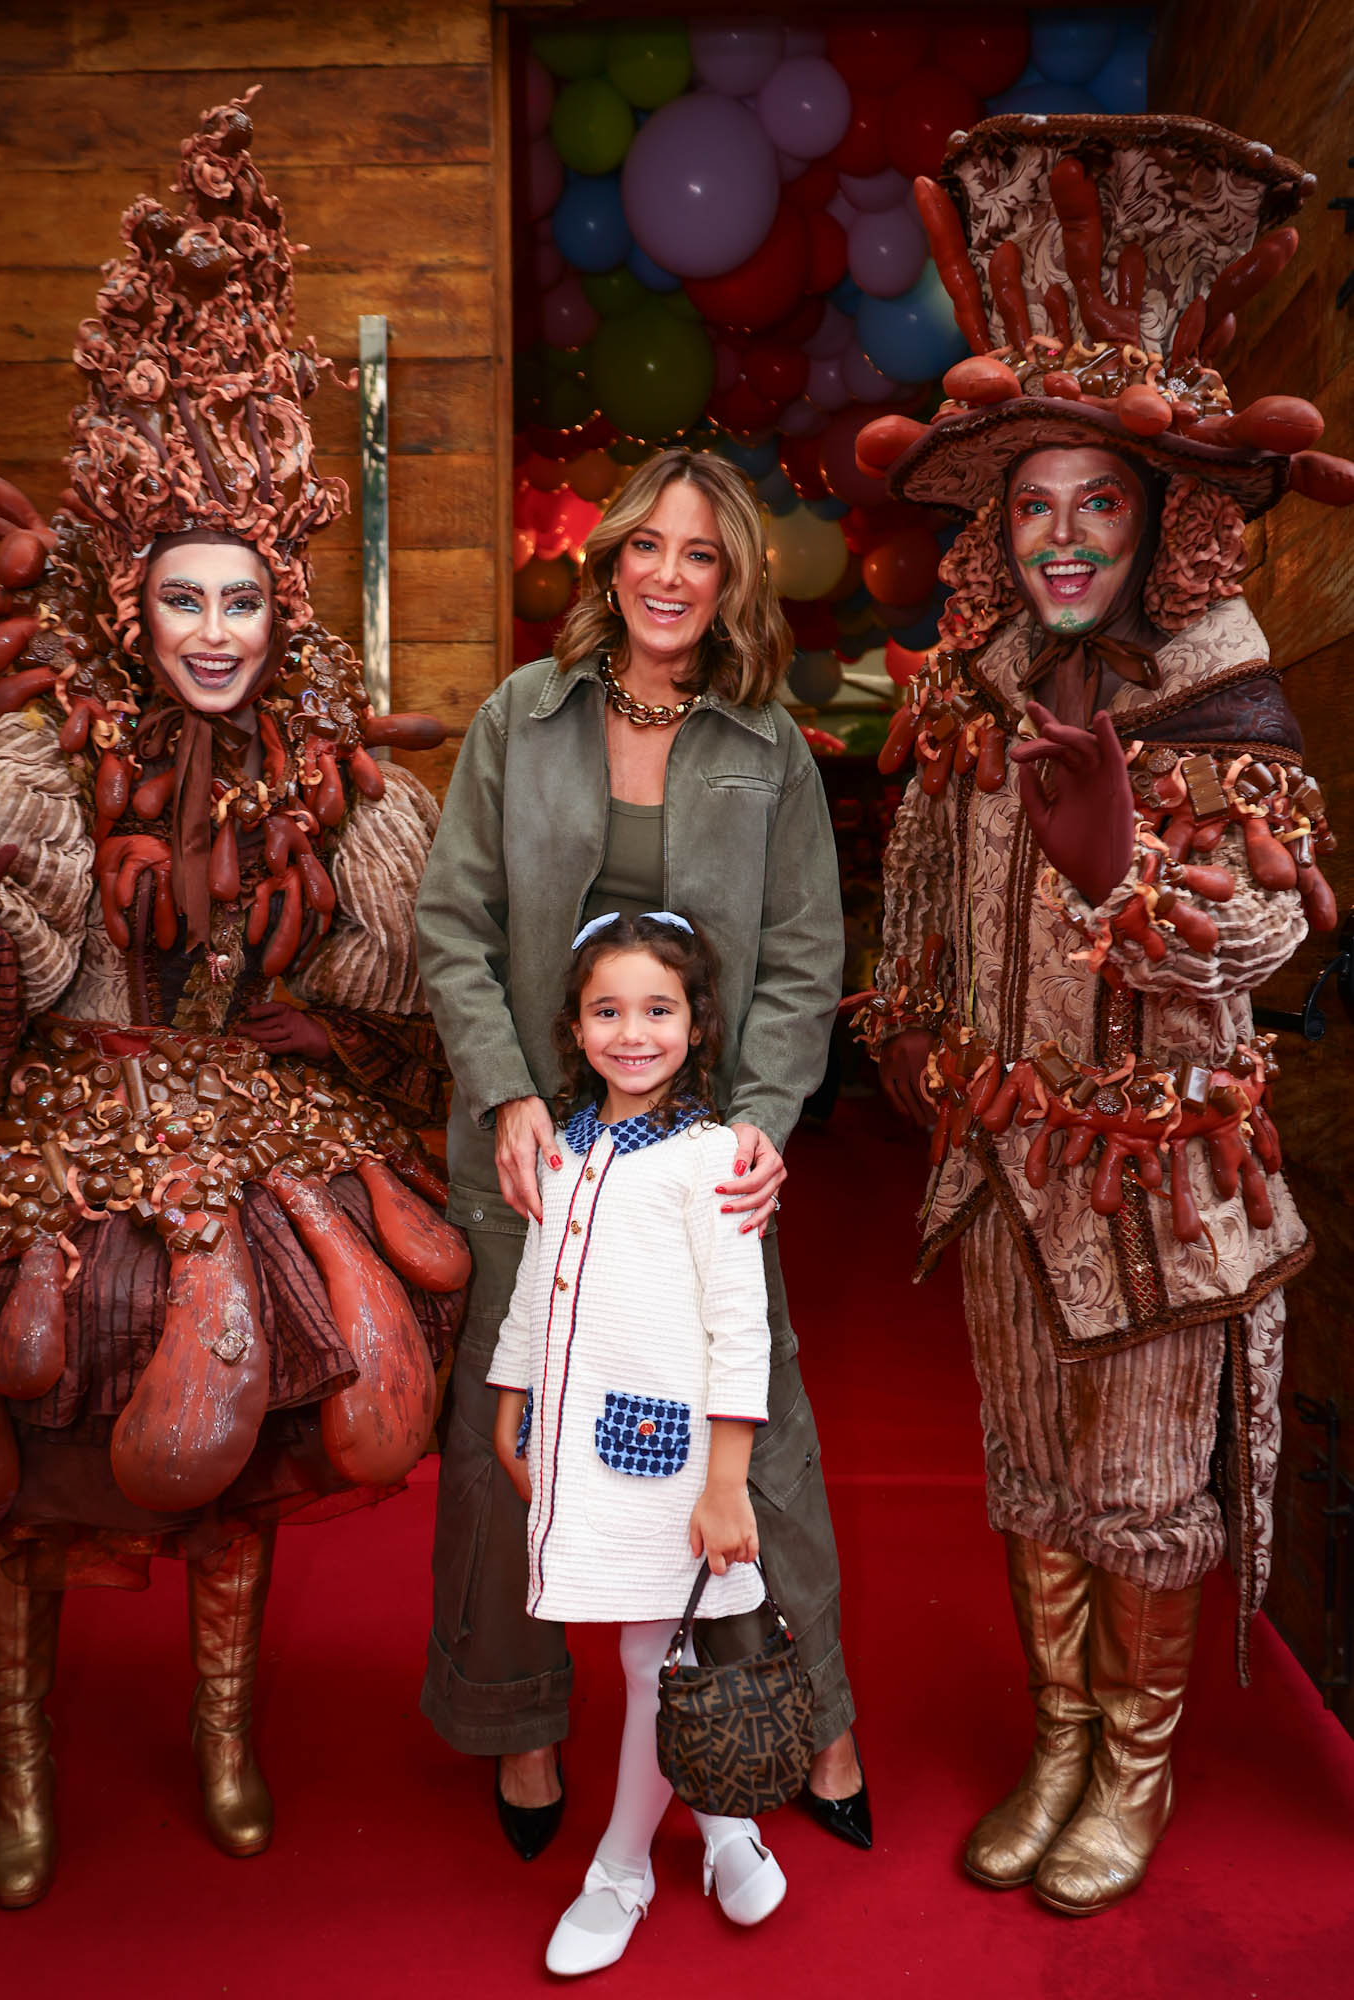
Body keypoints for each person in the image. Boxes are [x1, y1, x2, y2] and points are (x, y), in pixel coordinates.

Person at [0, 94, 468, 1907]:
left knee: (246, 1452)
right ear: (135, 606)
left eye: (244, 599)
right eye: (185, 601)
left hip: (251, 1128)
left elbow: (400, 965)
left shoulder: (332, 788)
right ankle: (22, 1764)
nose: (217, 631)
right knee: (29, 1465)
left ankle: (226, 1734)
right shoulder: (17, 766)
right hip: (66, 1135)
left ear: (273, 605)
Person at [855, 112, 1349, 1916]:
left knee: (1140, 1485)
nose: (1062, 539)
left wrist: (1114, 874)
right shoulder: (974, 695)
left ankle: (1129, 1772)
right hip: (1001, 1158)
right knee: (1025, 1477)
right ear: (1000, 524)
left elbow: (1248, 952)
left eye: (1100, 503)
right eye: (1033, 504)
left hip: (1153, 1182)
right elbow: (919, 900)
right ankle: (1056, 1734)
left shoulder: (1224, 708)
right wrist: (909, 1026)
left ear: (1161, 522)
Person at [416, 446, 867, 1856]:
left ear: (732, 581)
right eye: (647, 548)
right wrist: (503, 1093)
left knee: (761, 1426)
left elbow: (804, 956)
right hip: (535, 1145)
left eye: (702, 555)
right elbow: (452, 925)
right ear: (607, 561)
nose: (670, 577)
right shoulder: (520, 718)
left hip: (702, 1145)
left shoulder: (766, 743)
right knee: (514, 1426)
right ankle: (519, 1718)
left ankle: (813, 1717)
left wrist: (763, 1122)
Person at [489, 911, 787, 1975]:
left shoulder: (717, 1161)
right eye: (607, 1009)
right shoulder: (561, 1149)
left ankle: (621, 1865)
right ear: (574, 1025)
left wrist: (726, 1481)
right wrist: (511, 1389)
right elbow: (536, 1282)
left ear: (694, 1023)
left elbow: (736, 1330)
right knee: (657, 1651)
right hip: (583, 1445)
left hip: (678, 1460)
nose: (632, 1032)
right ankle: (719, 1824)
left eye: (656, 1009)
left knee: (651, 1655)